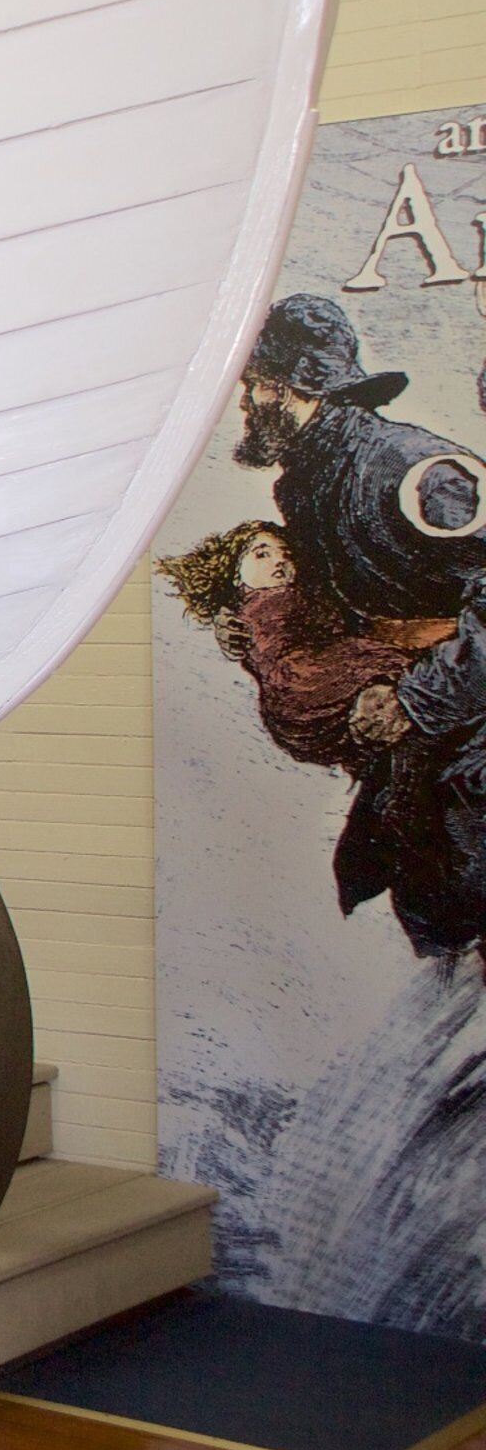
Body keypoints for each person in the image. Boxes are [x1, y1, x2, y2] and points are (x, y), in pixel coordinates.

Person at [241, 292, 486, 958]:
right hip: (419, 752)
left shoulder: (419, 472)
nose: (247, 401)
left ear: (298, 386)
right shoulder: (307, 481)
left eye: (258, 383)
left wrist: (417, 699)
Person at [155, 519, 418, 771]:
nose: (280, 560)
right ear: (235, 576)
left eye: (286, 554)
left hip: (289, 712)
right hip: (306, 679)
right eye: (262, 554)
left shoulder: (261, 604)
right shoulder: (277, 601)